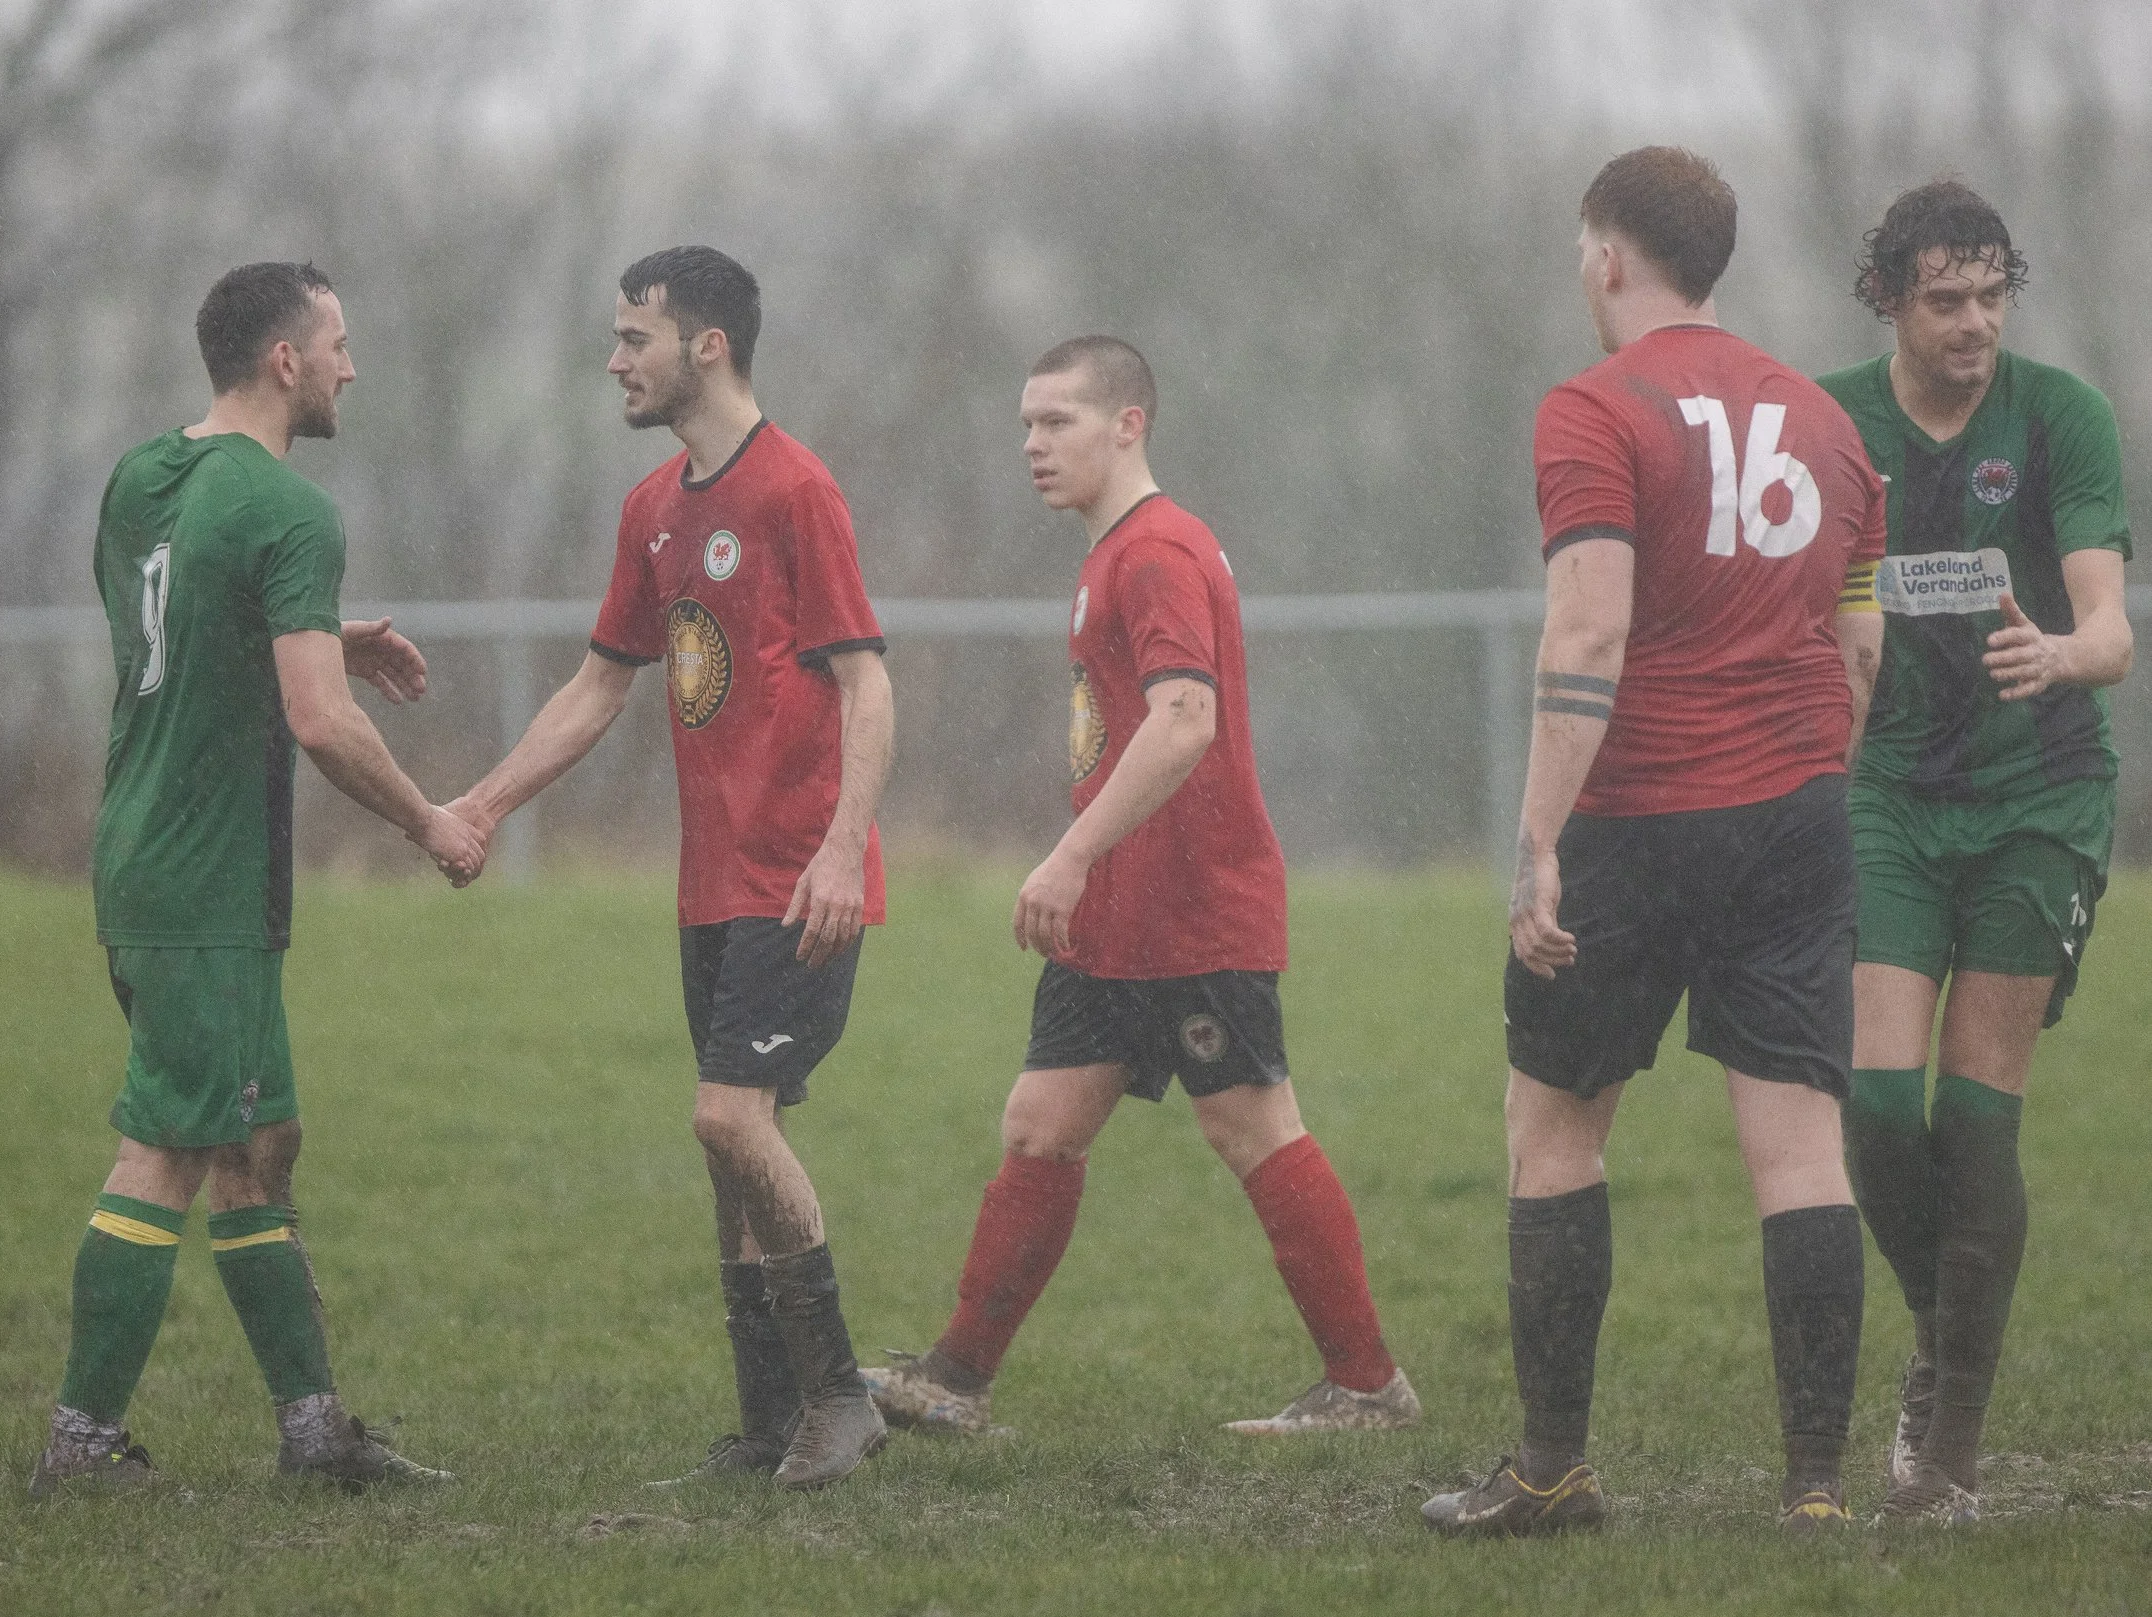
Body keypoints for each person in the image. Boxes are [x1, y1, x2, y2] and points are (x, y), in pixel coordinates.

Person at [1420, 148, 1890, 1538]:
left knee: (1554, 1128)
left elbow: (1590, 630)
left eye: (1584, 253)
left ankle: (1554, 1471)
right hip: (1798, 816)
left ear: (1610, 257)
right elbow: (1860, 644)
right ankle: (1814, 1490)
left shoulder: (1593, 408)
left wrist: (1537, 839)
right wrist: (1807, 782)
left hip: (1634, 817)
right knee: (1801, 1153)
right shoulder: (1828, 424)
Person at [861, 336, 1419, 1441]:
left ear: (1128, 425)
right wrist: (1086, 871)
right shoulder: (1112, 552)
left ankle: (1366, 1387)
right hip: (1113, 917)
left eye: (1057, 421)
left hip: (1192, 908)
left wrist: (1068, 853)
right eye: (1024, 422)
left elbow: (1183, 718)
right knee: (1039, 1125)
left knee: (1252, 1129)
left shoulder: (1156, 551)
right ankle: (955, 1380)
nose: (1031, 444)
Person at [31, 262, 483, 1497]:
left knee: (258, 1142)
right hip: (203, 874)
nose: (351, 365)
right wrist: (428, 821)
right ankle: (78, 1444)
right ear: (285, 361)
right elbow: (321, 726)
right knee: (172, 1147)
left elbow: (172, 635)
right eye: (339, 342)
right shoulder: (292, 509)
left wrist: (324, 628)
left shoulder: (143, 476)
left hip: (146, 849)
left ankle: (316, 1431)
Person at [448, 246, 895, 1490]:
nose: (614, 360)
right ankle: (771, 1423)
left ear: (706, 345)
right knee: (726, 1151)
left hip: (797, 881)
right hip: (711, 888)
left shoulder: (797, 490)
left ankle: (843, 1400)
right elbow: (601, 686)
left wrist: (844, 849)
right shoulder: (653, 509)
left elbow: (868, 682)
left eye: (633, 336)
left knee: (727, 1114)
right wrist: (479, 804)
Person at [1821, 182, 2132, 1525]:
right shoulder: (1832, 422)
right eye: (1945, 297)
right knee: (1879, 1104)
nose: (1975, 322)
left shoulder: (2061, 416)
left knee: (1976, 1101)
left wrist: (2061, 650)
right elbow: (1785, 593)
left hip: (2037, 799)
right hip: (1886, 792)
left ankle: (1948, 1442)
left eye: (1994, 292)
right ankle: (1941, 1325)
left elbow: (2112, 626)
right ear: (1889, 296)